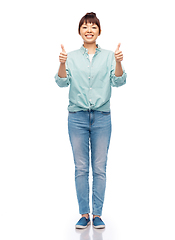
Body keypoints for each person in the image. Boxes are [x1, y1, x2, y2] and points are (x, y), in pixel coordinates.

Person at [54, 12, 127, 229]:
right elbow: (61, 83)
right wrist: (62, 64)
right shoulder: (72, 57)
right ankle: (84, 214)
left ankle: (98, 215)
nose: (89, 30)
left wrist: (118, 62)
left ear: (99, 31)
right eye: (85, 26)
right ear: (79, 31)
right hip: (76, 117)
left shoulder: (108, 56)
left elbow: (119, 82)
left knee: (99, 167)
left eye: (93, 27)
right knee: (81, 167)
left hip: (102, 117)